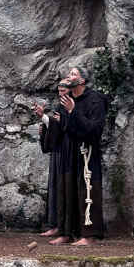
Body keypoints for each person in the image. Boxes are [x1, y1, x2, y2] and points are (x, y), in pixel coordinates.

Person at [48, 67, 109, 246]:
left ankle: (89, 235)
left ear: (82, 81)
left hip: (87, 151)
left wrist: (74, 111)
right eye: (69, 74)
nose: (69, 77)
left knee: (87, 190)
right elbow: (63, 126)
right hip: (70, 152)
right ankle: (67, 232)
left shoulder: (95, 99)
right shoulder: (67, 99)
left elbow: (94, 129)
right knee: (67, 190)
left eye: (73, 74)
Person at [33, 80, 72, 237]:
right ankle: (54, 225)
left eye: (64, 91)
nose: (61, 94)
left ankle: (63, 228)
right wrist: (45, 124)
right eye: (59, 91)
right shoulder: (59, 106)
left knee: (63, 189)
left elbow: (64, 126)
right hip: (58, 151)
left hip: (68, 153)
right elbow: (55, 127)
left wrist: (45, 118)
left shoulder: (73, 107)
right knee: (54, 187)